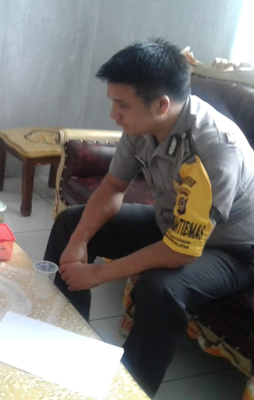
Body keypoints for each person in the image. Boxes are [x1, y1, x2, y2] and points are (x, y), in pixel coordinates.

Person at [44, 39, 254, 396]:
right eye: (113, 102)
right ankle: (60, 339)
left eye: (122, 105)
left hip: (231, 249)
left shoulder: (215, 150)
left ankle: (130, 389)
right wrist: (79, 241)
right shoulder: (141, 127)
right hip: (172, 224)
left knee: (161, 288)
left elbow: (181, 251)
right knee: (71, 224)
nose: (114, 115)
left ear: (161, 104)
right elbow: (113, 187)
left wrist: (98, 273)